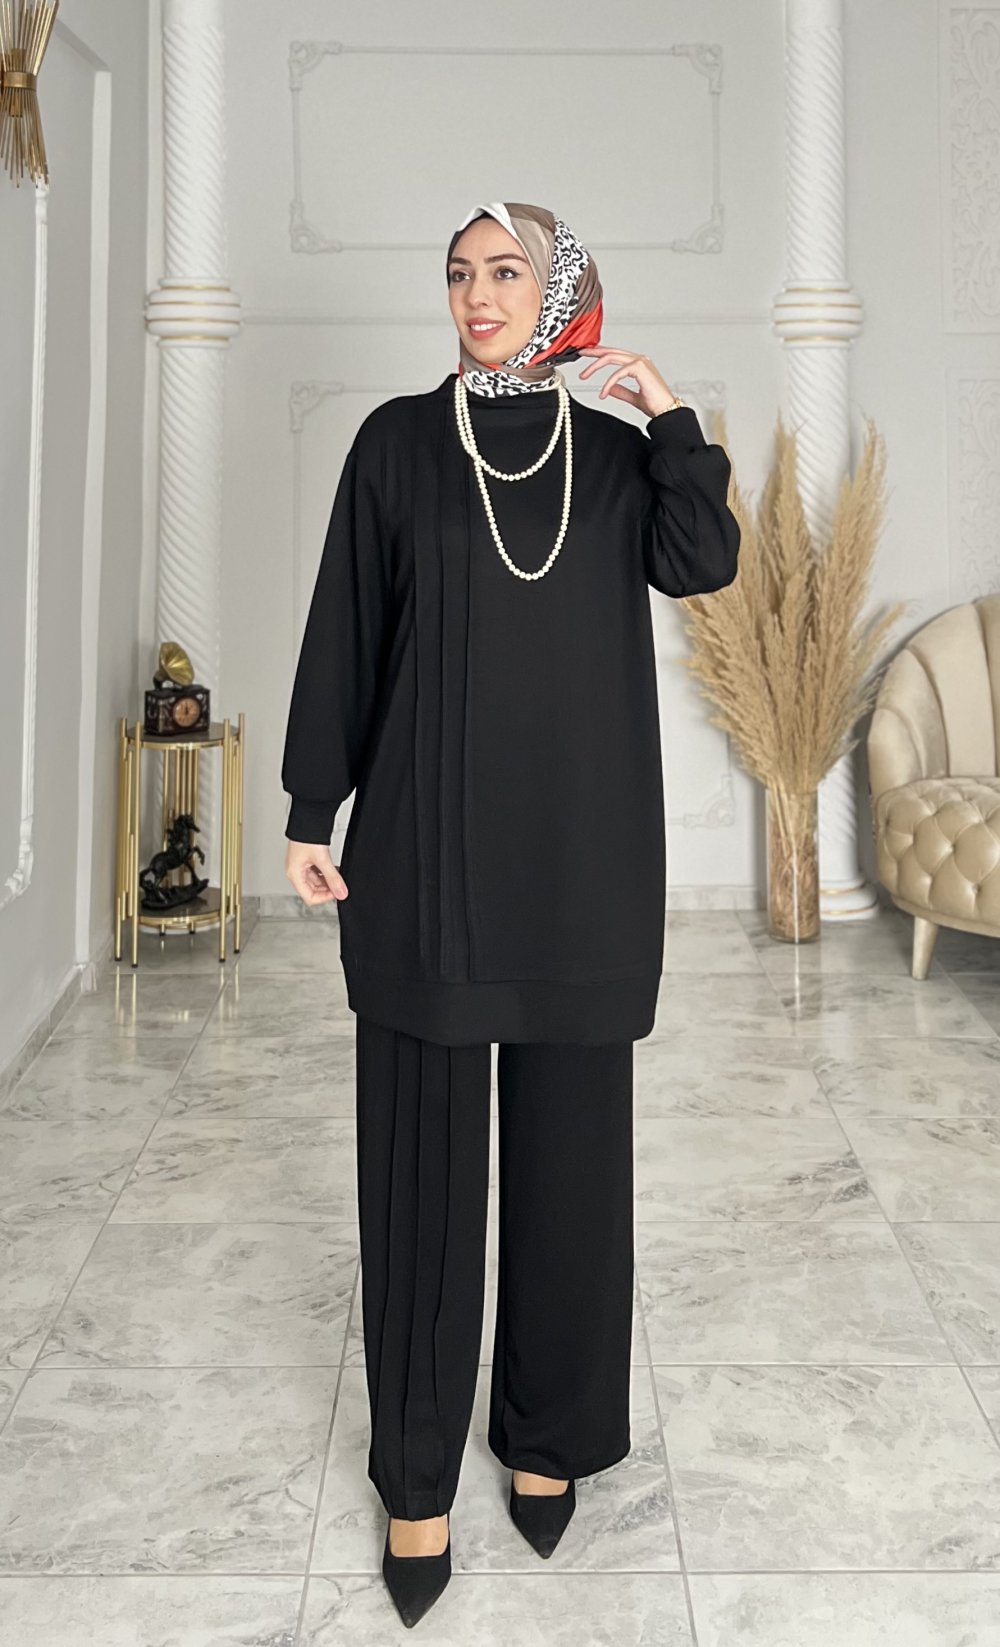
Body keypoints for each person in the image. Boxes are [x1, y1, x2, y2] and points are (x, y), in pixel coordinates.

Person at [281, 200, 740, 1628]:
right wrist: (310, 805)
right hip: (426, 862)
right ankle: (416, 1479)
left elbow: (705, 559)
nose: (478, 295)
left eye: (507, 271)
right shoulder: (396, 446)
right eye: (459, 274)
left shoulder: (618, 457)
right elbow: (347, 626)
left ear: (561, 290)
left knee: (571, 1177)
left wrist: (671, 416)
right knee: (420, 1180)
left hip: (580, 866)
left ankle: (548, 1440)